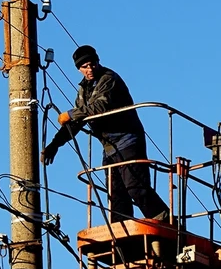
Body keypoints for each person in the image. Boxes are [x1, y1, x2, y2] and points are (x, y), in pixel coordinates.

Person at [41, 45, 170, 223]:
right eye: (84, 66)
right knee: (116, 195)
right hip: (109, 148)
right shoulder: (83, 91)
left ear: (97, 61)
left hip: (128, 140)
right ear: (78, 69)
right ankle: (122, 239)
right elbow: (78, 121)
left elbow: (99, 107)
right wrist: (54, 145)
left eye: (92, 64)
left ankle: (166, 222)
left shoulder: (109, 79)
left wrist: (70, 114)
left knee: (136, 187)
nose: (90, 69)